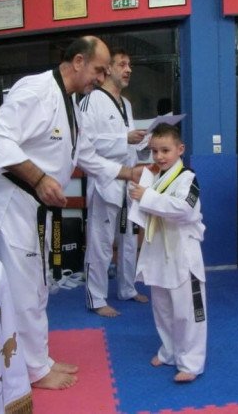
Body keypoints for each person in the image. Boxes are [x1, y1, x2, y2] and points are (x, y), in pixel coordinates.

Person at [0, 36, 142, 390]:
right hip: (12, 202)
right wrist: (39, 178)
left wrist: (129, 173)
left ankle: (37, 358)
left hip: (35, 206)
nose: (101, 78)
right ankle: (34, 369)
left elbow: (88, 157)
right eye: (98, 70)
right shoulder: (37, 91)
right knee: (24, 289)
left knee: (39, 284)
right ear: (77, 62)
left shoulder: (71, 105)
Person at [128, 123, 207, 383]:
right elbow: (144, 208)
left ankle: (191, 362)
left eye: (165, 150)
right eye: (154, 151)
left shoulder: (187, 177)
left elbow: (184, 209)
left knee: (187, 310)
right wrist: (139, 192)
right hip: (158, 250)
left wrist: (146, 197)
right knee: (162, 307)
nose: (159, 156)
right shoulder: (156, 177)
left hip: (182, 251)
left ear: (180, 149)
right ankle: (169, 351)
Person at [77, 47, 149, 317]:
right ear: (107, 69)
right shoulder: (91, 100)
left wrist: (143, 144)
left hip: (128, 183)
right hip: (104, 181)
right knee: (101, 242)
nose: (128, 69)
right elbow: (85, 144)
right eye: (122, 64)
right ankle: (96, 298)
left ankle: (127, 288)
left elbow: (128, 146)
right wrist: (124, 139)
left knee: (129, 239)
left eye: (130, 65)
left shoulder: (126, 104)